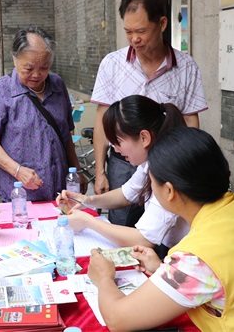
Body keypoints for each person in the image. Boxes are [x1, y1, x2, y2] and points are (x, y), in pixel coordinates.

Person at [87, 127, 234, 331]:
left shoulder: (195, 260)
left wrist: (104, 277)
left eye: (152, 183)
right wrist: (164, 269)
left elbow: (117, 319)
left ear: (170, 191)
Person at [91, 0, 207, 227]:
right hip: (123, 164)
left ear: (162, 24)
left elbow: (190, 121)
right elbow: (103, 120)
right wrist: (100, 171)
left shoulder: (186, 67)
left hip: (168, 168)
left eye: (141, 31)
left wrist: (192, 168)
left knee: (168, 230)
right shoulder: (112, 64)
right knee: (121, 226)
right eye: (128, 31)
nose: (135, 39)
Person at [57, 95, 189, 256]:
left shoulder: (168, 168)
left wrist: (87, 221)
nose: (116, 149)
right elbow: (127, 193)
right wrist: (87, 201)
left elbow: (143, 239)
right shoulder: (151, 161)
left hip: (185, 254)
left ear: (144, 138)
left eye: (118, 141)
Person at [0, 26, 87, 202]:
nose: (37, 75)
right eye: (28, 68)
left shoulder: (57, 85)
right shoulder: (1, 90)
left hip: (60, 192)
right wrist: (18, 170)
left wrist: (77, 171)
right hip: (21, 194)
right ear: (15, 59)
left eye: (44, 67)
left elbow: (66, 135)